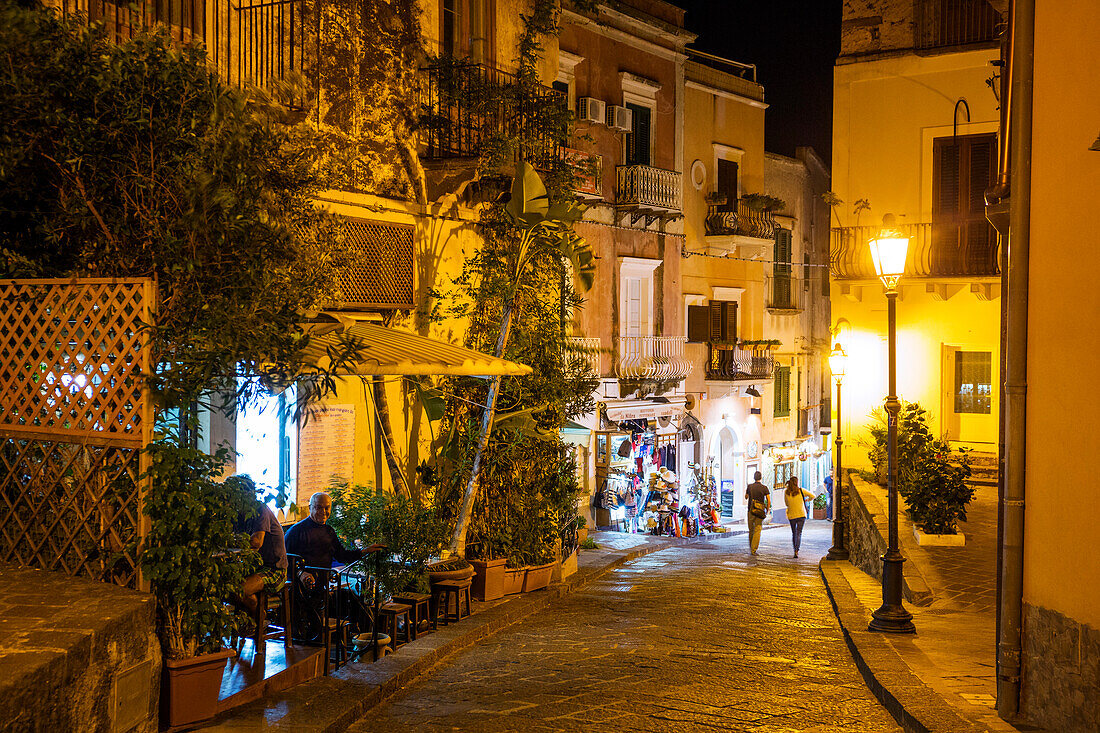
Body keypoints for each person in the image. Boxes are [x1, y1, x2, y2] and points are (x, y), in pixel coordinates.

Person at [230, 477, 288, 617]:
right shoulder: (237, 513)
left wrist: (231, 540)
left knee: (238, 589)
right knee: (223, 588)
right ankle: (253, 619)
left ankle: (260, 618)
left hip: (274, 569)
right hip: (251, 567)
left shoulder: (260, 509)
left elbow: (256, 542)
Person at [284, 492, 365, 586]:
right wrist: (300, 573)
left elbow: (341, 555)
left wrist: (364, 552)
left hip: (322, 587)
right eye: (318, 507)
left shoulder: (329, 531)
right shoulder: (296, 531)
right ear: (310, 508)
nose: (323, 512)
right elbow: (285, 560)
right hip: (299, 589)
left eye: (327, 508)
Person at [783, 476, 817, 558]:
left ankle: (794, 548)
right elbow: (813, 496)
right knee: (799, 533)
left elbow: (786, 504)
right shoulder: (801, 491)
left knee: (794, 533)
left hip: (792, 515)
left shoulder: (786, 492)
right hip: (801, 514)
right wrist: (806, 500)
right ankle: (796, 550)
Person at [745, 471, 770, 556]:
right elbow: (768, 500)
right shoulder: (764, 488)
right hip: (760, 511)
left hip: (751, 510)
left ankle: (751, 547)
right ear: (761, 478)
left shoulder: (750, 486)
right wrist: (768, 508)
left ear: (754, 477)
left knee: (751, 529)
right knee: (757, 529)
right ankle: (753, 549)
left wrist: (747, 491)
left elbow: (746, 497)